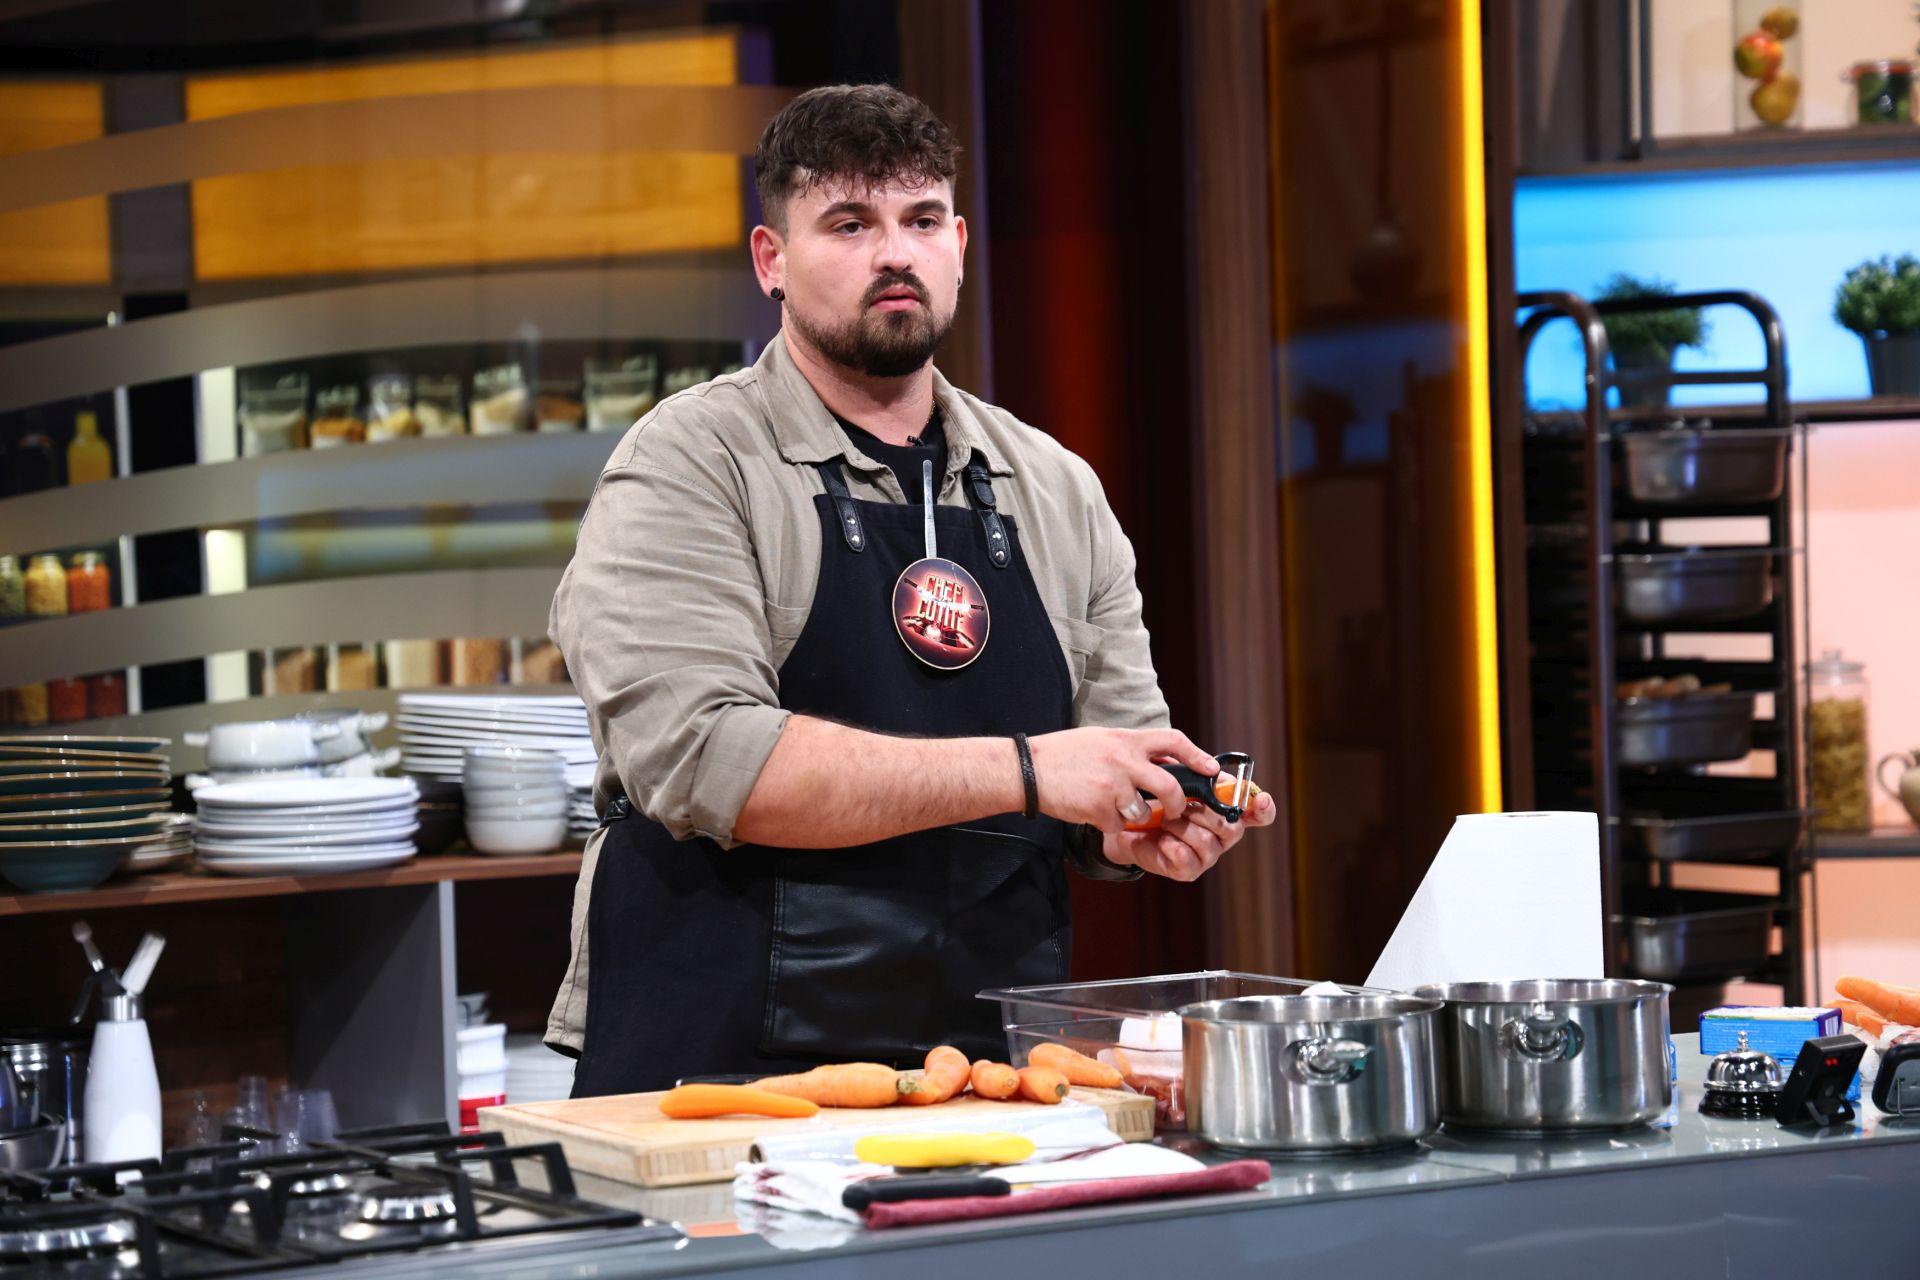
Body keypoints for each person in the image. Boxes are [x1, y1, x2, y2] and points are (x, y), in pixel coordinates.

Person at [546, 83, 1276, 1095]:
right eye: (850, 224)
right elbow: (711, 761)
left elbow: (1109, 761)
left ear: (960, 245)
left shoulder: (1054, 486)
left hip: (984, 1080)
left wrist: (1149, 820)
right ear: (771, 260)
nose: (895, 253)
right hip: (719, 1084)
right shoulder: (690, 463)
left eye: (922, 220)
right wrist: (1032, 771)